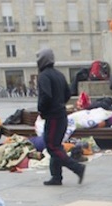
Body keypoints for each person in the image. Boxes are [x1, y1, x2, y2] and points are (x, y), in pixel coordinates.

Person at [36, 48, 86, 185]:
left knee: (52, 146)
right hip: (61, 114)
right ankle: (56, 177)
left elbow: (45, 96)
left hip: (53, 116)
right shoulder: (59, 74)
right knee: (55, 145)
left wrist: (42, 109)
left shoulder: (44, 76)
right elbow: (68, 94)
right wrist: (59, 103)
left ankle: (77, 168)